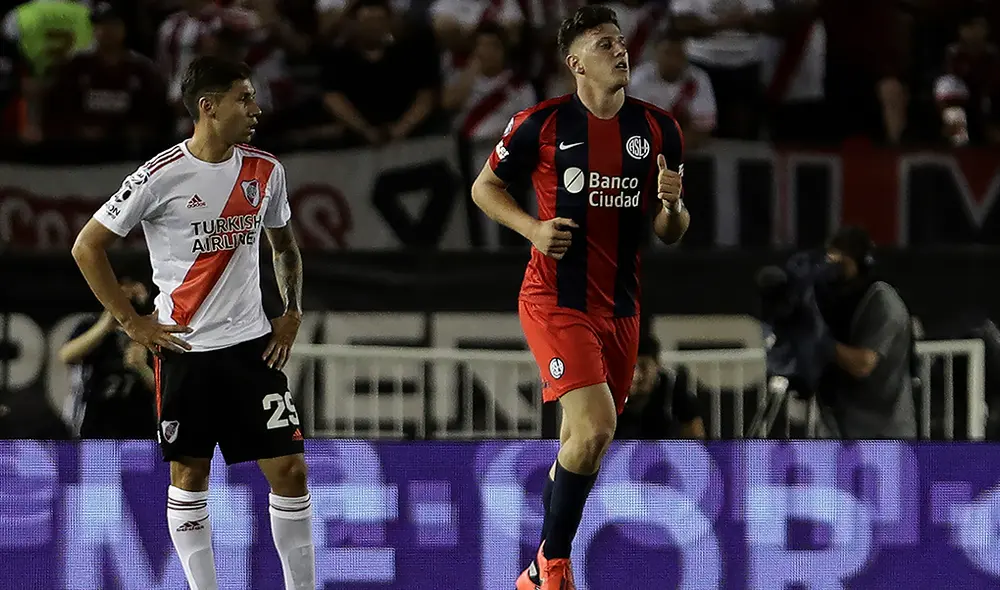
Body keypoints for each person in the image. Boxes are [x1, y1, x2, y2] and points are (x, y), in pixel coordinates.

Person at [70, 56, 313, 590]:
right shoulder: (159, 177)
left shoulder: (265, 171)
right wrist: (132, 323)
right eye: (243, 99)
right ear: (209, 106)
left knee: (291, 473)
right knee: (189, 477)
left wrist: (291, 312)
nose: (256, 109)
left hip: (253, 350)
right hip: (186, 353)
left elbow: (285, 249)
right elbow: (87, 246)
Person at [471, 6, 689, 589]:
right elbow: (484, 187)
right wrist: (533, 230)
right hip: (554, 298)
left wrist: (671, 205)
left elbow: (671, 232)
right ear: (575, 63)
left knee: (583, 444)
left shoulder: (659, 129)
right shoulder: (538, 125)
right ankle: (555, 564)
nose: (620, 51)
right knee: (592, 430)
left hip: (621, 308)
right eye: (604, 44)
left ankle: (535, 571)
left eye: (620, 42)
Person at [814, 226, 917, 439]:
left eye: (833, 259)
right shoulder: (839, 301)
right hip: (843, 433)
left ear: (850, 261)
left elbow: (863, 364)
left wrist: (817, 340)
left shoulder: (882, 301)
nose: (827, 268)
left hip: (884, 438)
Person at [58, 277, 158, 439]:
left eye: (135, 288)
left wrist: (141, 368)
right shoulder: (91, 325)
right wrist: (105, 325)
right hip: (94, 424)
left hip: (140, 428)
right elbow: (66, 355)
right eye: (123, 288)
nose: (129, 295)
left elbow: (165, 390)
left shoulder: (153, 331)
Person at [615, 332, 706, 439]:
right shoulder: (607, 391)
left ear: (657, 364)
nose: (635, 376)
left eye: (643, 366)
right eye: (629, 367)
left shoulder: (673, 388)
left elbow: (696, 440)